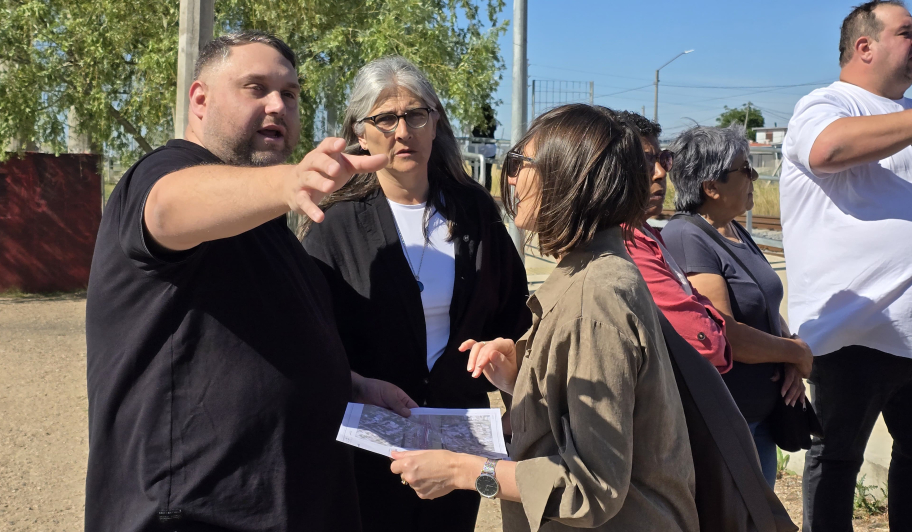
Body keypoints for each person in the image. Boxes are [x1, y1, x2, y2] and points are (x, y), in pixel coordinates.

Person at [85, 31, 416, 532]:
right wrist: (289, 181)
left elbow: (257, 348)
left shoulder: (266, 224)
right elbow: (168, 205)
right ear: (200, 99)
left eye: (289, 93)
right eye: (255, 87)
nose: (277, 105)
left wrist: (353, 385)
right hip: (194, 514)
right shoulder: (163, 174)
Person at [389, 104, 699, 532]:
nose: (512, 177)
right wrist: (523, 377)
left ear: (566, 175)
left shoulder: (595, 297)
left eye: (522, 163)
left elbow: (591, 487)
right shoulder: (593, 271)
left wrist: (463, 471)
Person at [300, 56, 530, 532]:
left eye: (415, 115)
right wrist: (357, 382)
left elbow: (515, 316)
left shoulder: (475, 213)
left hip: (457, 440)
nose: (402, 131)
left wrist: (515, 403)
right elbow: (309, 341)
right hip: (368, 444)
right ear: (362, 134)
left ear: (435, 123)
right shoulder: (333, 225)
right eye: (385, 118)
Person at [780, 1, 912, 529]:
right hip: (849, 338)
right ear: (865, 46)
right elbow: (826, 150)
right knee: (836, 462)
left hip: (907, 334)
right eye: (908, 33)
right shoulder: (826, 104)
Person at [662, 125, 811, 489]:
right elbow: (723, 332)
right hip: (728, 422)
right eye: (745, 169)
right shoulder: (687, 236)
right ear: (711, 186)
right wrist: (795, 351)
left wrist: (787, 352)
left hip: (758, 417)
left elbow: (762, 303)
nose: (754, 177)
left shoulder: (733, 230)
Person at [614, 111, 732, 374]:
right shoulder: (626, 243)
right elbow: (708, 344)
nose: (659, 173)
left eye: (662, 159)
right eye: (645, 161)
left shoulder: (647, 233)